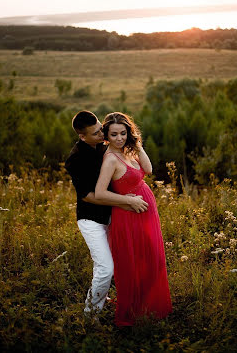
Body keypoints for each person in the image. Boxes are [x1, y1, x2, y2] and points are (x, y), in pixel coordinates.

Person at [65, 111, 148, 318]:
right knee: (105, 268)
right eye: (96, 133)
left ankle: (103, 299)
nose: (102, 134)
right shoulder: (75, 159)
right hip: (91, 219)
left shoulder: (104, 147)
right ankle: (89, 316)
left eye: (101, 129)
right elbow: (89, 196)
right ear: (82, 136)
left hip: (115, 215)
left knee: (113, 263)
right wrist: (127, 201)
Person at [95, 112, 172, 326]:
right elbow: (100, 193)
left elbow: (148, 169)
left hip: (146, 212)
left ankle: (149, 307)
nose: (119, 138)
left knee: (152, 259)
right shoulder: (110, 159)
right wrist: (127, 201)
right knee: (133, 263)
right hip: (128, 215)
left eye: (123, 133)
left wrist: (136, 144)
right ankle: (132, 312)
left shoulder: (128, 151)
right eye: (114, 134)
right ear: (106, 136)